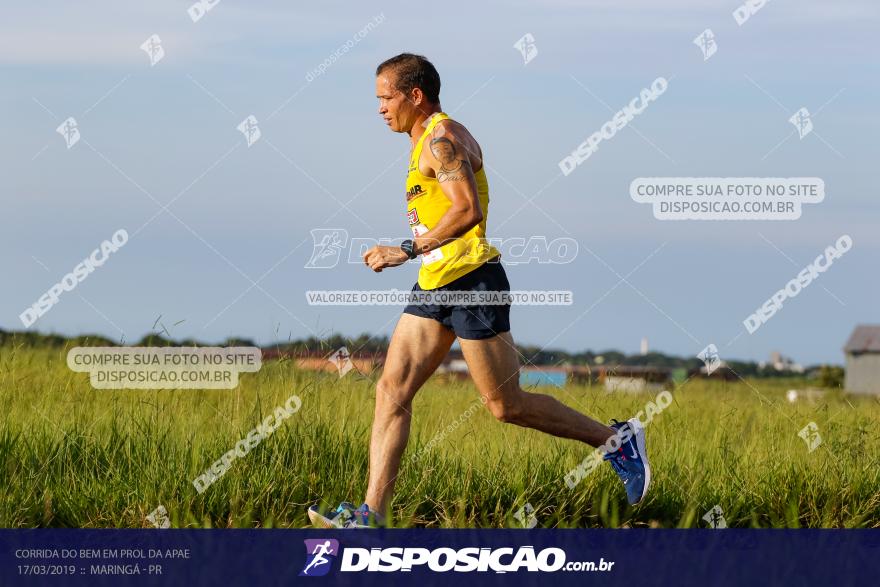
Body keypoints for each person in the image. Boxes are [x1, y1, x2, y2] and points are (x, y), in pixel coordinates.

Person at [307, 53, 649, 529]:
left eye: (386, 98)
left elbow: (467, 210)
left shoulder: (442, 141)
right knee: (391, 391)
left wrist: (404, 249)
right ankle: (372, 515)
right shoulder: (429, 138)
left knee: (506, 407)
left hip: (472, 283)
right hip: (435, 284)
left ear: (415, 95)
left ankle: (617, 442)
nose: (380, 108)